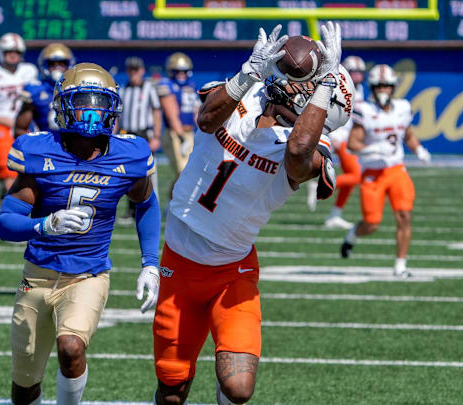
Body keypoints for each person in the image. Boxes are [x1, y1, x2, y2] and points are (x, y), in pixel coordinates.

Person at [153, 23, 349, 404]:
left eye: (312, 86)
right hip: (178, 260)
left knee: (238, 387)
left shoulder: (309, 148)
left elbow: (297, 153)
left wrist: (325, 83)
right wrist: (249, 72)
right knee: (172, 390)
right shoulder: (246, 96)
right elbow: (207, 120)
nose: (299, 85)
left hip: (231, 270)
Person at [0, 63, 161, 405]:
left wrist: (150, 263)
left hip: (88, 274)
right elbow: (5, 222)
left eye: (100, 101)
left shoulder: (129, 154)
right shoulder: (40, 151)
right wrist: (43, 225)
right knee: (24, 386)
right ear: (63, 105)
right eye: (83, 100)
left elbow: (146, 203)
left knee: (71, 348)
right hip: (38, 276)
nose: (92, 110)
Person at [341, 63, 431, 277]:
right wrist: (374, 148)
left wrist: (418, 149)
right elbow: (353, 144)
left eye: (387, 86)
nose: (383, 90)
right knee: (371, 224)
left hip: (397, 169)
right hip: (373, 173)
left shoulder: (403, 107)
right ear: (372, 88)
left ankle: (400, 266)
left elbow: (408, 135)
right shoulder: (365, 111)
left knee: (404, 216)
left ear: (393, 88)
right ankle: (353, 234)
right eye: (379, 86)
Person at [0, 33, 38, 202]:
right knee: (10, 174)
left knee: (28, 173)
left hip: (25, 127)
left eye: (16, 52)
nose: (13, 55)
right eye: (8, 52)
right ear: (1, 52)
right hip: (1, 126)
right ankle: (13, 212)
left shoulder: (29, 71)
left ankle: (6, 203)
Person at [314, 55, 366, 229]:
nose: (357, 76)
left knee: (352, 178)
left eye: (360, 72)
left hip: (347, 136)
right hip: (339, 136)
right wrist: (333, 137)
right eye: (354, 72)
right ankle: (318, 184)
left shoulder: (359, 89)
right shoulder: (339, 86)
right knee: (356, 175)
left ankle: (335, 215)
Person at [118, 56, 162, 222]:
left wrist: (156, 136)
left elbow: (157, 112)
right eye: (130, 70)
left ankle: (150, 208)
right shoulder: (123, 89)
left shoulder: (149, 88)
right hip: (126, 133)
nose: (133, 73)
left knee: (147, 173)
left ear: (142, 71)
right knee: (127, 173)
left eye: (136, 70)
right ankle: (131, 210)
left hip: (143, 134)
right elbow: (118, 116)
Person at [157, 52, 199, 194]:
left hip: (190, 134)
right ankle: (174, 204)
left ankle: (171, 202)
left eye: (184, 71)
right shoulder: (166, 84)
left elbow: (196, 113)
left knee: (189, 173)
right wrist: (181, 137)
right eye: (177, 71)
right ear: (171, 71)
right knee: (183, 172)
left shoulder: (191, 86)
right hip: (174, 134)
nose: (181, 74)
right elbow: (171, 114)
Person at [15, 43, 74, 136]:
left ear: (68, 66)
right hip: (45, 143)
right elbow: (20, 129)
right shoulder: (35, 90)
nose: (57, 68)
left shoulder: (75, 89)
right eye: (52, 64)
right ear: (45, 66)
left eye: (61, 64)